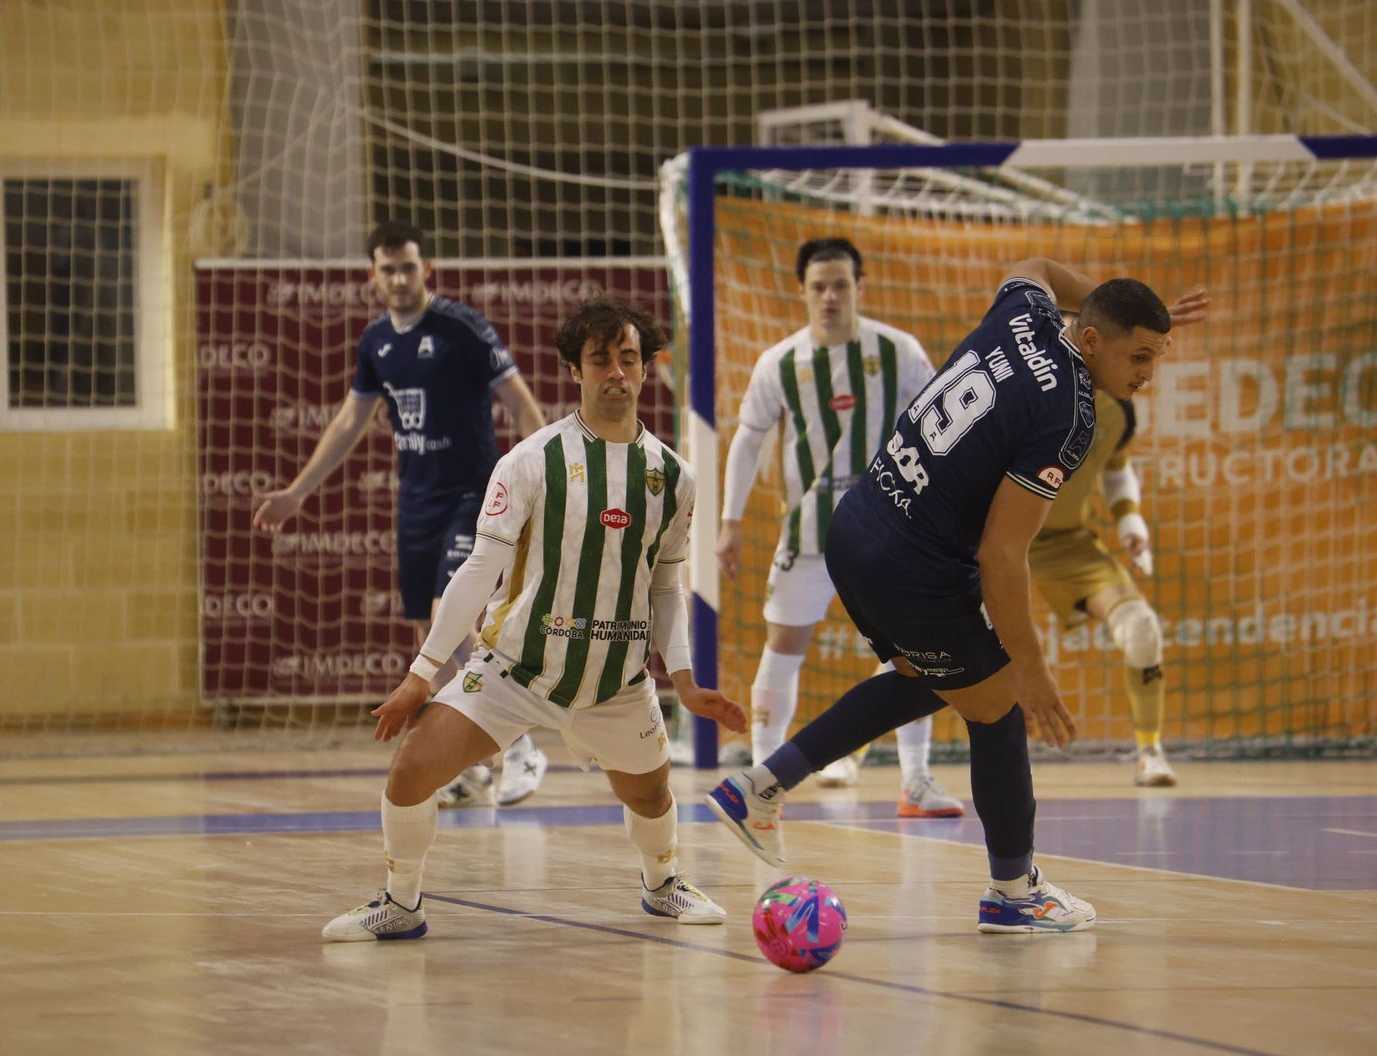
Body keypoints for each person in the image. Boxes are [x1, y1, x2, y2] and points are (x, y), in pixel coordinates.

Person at [706, 258, 1207, 933]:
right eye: (1140, 354)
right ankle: (1014, 893)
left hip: (860, 525)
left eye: (1156, 357)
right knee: (998, 708)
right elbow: (1002, 556)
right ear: (1091, 342)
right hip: (915, 564)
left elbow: (1034, 265)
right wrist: (1030, 673)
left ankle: (758, 788)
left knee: (927, 680)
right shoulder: (1070, 416)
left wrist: (1112, 306)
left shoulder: (1024, 313)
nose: (1147, 373)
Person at [322, 297, 747, 941]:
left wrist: (684, 680)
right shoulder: (529, 461)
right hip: (514, 669)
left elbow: (667, 586)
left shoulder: (673, 477)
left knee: (652, 797)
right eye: (599, 359)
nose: (616, 372)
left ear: (643, 367)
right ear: (574, 371)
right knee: (411, 770)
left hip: (616, 681)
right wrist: (421, 674)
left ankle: (663, 886)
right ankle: (401, 902)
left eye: (628, 359)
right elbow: (475, 573)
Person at [254, 220, 551, 809]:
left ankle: (520, 744)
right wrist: (297, 492)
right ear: (373, 276)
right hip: (416, 502)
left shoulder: (462, 328)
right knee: (426, 639)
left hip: (475, 495)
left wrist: (542, 484)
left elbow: (520, 404)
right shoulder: (375, 343)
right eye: (387, 269)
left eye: (408, 267)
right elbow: (348, 423)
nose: (398, 278)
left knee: (451, 618)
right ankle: (465, 766)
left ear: (426, 269)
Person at [717, 237, 962, 816]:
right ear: (802, 291)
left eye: (841, 284)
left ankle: (916, 781)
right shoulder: (779, 363)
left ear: (860, 286)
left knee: (915, 652)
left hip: (891, 532)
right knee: (784, 645)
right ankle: (762, 783)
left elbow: (943, 424)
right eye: (819, 286)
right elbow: (748, 441)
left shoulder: (898, 351)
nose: (830, 296)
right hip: (809, 533)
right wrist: (729, 522)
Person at [1029, 361, 1180, 786]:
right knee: (925, 646)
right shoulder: (1020, 394)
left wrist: (1130, 521)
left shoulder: (1114, 408)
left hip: (1064, 544)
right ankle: (852, 755)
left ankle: (1149, 752)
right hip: (993, 542)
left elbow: (1115, 467)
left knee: (1142, 629)